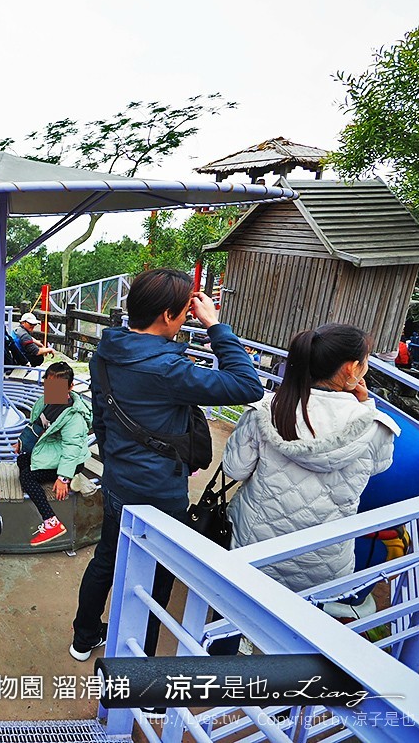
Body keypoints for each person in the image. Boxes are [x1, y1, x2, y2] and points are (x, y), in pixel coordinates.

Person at [70, 268, 264, 662]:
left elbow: (102, 419)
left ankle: (83, 636)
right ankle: (139, 665)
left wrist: (114, 462)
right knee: (157, 577)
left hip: (119, 481)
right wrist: (215, 325)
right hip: (160, 490)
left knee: (107, 556)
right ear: (167, 316)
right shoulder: (168, 369)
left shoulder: (105, 354)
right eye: (183, 312)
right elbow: (247, 385)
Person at [223, 324, 399, 593]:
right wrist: (363, 406)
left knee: (239, 614)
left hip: (256, 548)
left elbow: (235, 468)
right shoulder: (374, 426)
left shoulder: (267, 411)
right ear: (351, 369)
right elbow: (379, 466)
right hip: (324, 560)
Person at [16, 362, 92, 546]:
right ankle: (70, 478)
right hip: (52, 452)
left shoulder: (73, 416)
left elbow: (72, 447)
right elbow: (35, 426)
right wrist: (21, 442)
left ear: (70, 387)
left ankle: (51, 521)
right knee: (22, 460)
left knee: (27, 478)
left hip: (69, 461)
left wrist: (63, 477)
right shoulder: (45, 402)